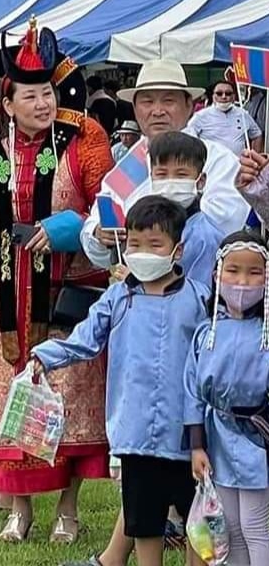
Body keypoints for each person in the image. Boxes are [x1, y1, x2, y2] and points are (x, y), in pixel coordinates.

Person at [0, 21, 114, 542]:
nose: (42, 103)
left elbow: (107, 210)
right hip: (4, 291)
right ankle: (18, 509)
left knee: (66, 396)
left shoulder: (83, 139)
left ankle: (68, 508)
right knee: (12, 399)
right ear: (8, 102)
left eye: (47, 93)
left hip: (66, 291)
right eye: (31, 96)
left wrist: (67, 229)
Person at [32, 196, 209, 566]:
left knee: (197, 521)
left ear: (177, 250)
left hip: (187, 436)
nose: (142, 253)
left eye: (154, 245)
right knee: (144, 522)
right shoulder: (119, 297)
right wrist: (44, 356)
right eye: (134, 244)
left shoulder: (198, 298)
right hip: (135, 435)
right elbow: (84, 340)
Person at [83, 59, 250, 286]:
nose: (157, 111)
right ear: (135, 108)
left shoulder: (217, 159)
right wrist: (98, 235)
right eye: (147, 102)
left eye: (168, 101)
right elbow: (97, 226)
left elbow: (224, 227)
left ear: (189, 105)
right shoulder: (130, 164)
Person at [185, 231, 269, 566]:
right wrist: (196, 445)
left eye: (254, 272)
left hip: (258, 440)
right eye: (233, 270)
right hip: (218, 437)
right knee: (228, 524)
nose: (242, 281)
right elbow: (191, 390)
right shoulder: (206, 334)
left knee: (255, 524)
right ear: (217, 274)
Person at [187, 80, 263, 156]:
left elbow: (257, 135)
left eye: (228, 93)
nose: (224, 97)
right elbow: (188, 138)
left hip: (239, 165)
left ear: (234, 97)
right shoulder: (201, 116)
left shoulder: (242, 114)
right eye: (219, 94)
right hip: (212, 165)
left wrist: (254, 157)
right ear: (213, 96)